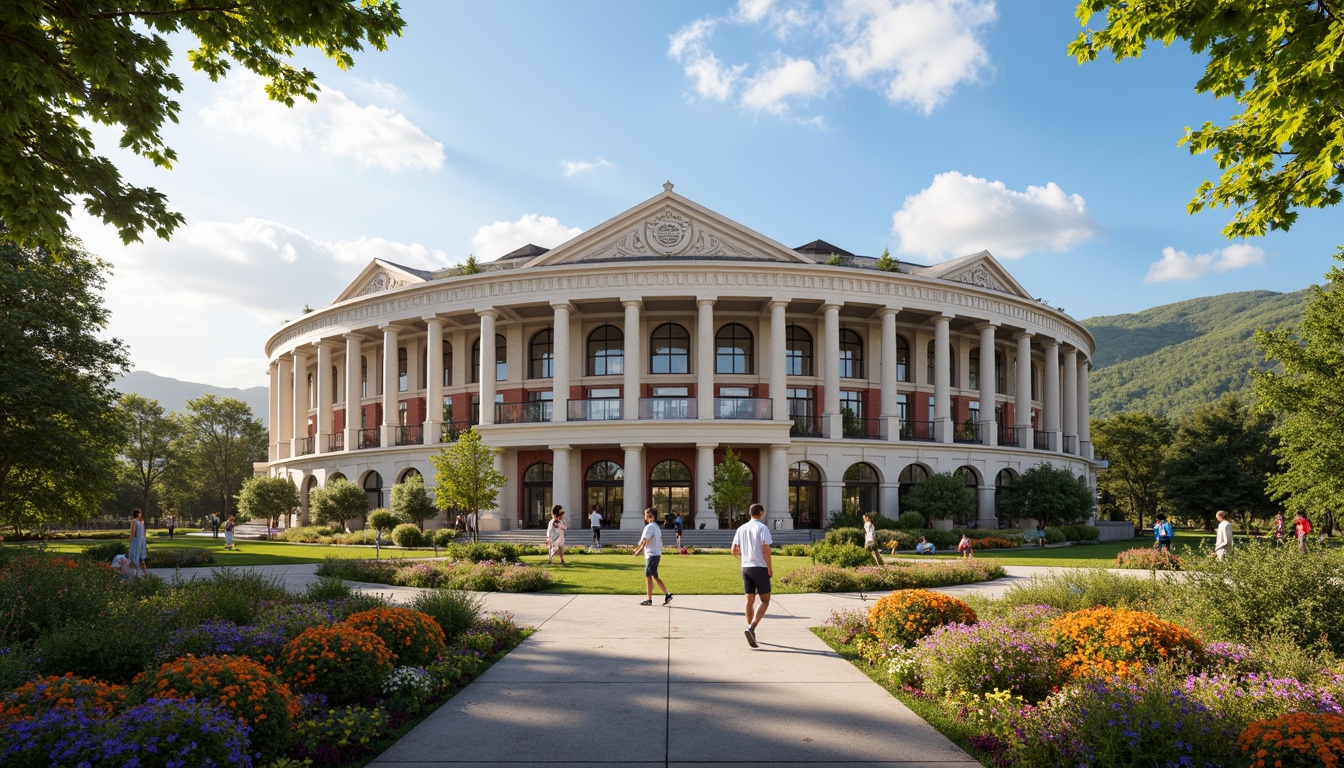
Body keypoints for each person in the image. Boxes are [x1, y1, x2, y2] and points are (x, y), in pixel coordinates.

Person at [731, 503, 772, 648]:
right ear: (761, 512)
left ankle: (750, 629)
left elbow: (733, 550)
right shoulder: (762, 528)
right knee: (765, 600)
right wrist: (770, 568)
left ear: (750, 513)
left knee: (749, 600)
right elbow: (766, 548)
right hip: (759, 567)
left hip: (746, 567)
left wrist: (745, 553)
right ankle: (752, 627)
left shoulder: (741, 529)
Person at [633, 508, 673, 606]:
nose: (644, 516)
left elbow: (645, 540)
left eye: (646, 514)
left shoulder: (650, 527)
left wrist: (639, 550)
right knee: (652, 576)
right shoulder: (655, 527)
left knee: (650, 576)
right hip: (655, 555)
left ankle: (653, 598)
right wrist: (639, 548)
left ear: (651, 515)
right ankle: (662, 596)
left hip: (652, 555)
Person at [127, 508, 148, 577]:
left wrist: (130, 541)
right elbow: (144, 533)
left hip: (136, 541)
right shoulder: (142, 522)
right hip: (142, 541)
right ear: (138, 514)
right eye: (140, 513)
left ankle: (135, 575)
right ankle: (144, 573)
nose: (141, 514)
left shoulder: (134, 522)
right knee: (142, 558)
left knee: (134, 557)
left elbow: (132, 533)